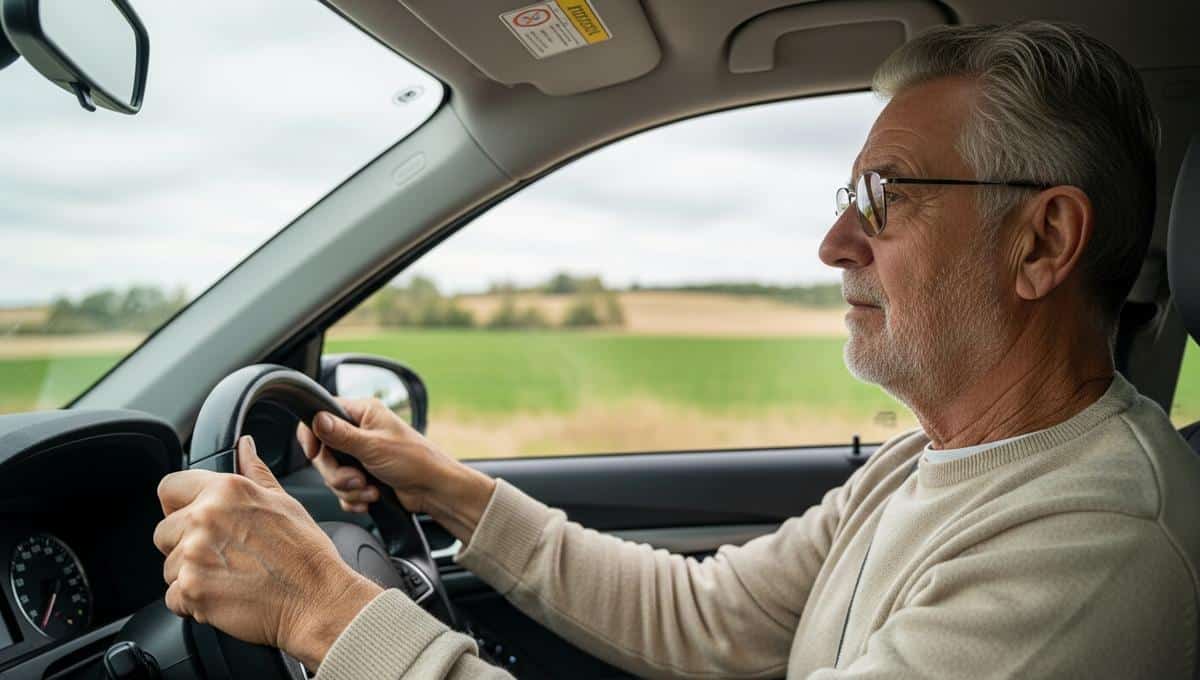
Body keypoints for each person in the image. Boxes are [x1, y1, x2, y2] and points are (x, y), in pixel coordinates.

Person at [153, 20, 1200, 679]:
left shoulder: (1093, 543)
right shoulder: (930, 460)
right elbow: (707, 614)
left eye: (884, 197)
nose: (836, 241)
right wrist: (451, 490)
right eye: (848, 199)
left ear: (1042, 240)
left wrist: (325, 610)